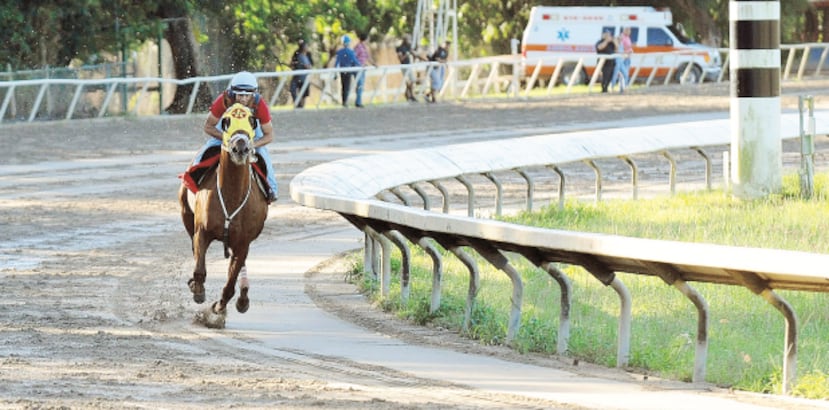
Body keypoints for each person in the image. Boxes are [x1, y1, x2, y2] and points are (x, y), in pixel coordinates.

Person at [191, 71, 278, 203]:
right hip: (227, 131)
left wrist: (252, 144)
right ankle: (193, 180)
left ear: (253, 94)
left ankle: (271, 188)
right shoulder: (224, 100)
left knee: (263, 155)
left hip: (251, 133)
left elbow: (269, 135)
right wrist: (227, 138)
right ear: (232, 93)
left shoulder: (259, 105)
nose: (243, 99)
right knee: (205, 150)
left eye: (247, 95)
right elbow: (208, 126)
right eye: (240, 95)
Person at [334, 35, 360, 107]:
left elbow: (336, 63)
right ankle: (345, 101)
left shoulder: (339, 52)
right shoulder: (351, 52)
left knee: (343, 86)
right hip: (348, 70)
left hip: (342, 71)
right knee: (347, 86)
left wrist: (335, 73)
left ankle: (344, 101)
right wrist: (360, 66)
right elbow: (355, 61)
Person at [353, 32, 376, 108]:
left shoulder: (364, 47)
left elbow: (367, 57)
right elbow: (354, 57)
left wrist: (373, 64)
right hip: (358, 68)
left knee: (361, 85)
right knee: (360, 84)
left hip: (363, 68)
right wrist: (359, 64)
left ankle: (358, 101)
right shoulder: (358, 47)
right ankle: (358, 102)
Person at [289, 40, 313, 108]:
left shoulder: (308, 55)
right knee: (294, 90)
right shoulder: (297, 54)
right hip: (297, 77)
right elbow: (292, 64)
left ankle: (301, 106)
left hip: (304, 78)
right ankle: (298, 105)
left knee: (303, 94)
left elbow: (309, 66)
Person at [396, 34, 418, 102]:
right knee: (409, 81)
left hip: (409, 66)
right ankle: (410, 95)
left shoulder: (408, 47)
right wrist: (406, 54)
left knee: (412, 80)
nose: (410, 41)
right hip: (404, 66)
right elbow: (401, 59)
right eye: (408, 39)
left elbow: (414, 54)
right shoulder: (400, 48)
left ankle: (408, 94)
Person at [611, 27, 633, 93]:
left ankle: (623, 88)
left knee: (625, 74)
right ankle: (612, 87)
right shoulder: (619, 41)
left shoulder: (623, 41)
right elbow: (617, 51)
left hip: (622, 61)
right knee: (615, 75)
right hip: (619, 61)